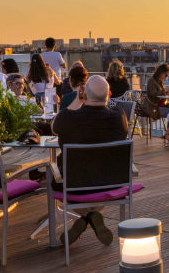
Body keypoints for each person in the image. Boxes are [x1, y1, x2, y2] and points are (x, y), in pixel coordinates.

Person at [52, 75, 128, 246]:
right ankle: (91, 216)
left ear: (84, 96)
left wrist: (78, 100)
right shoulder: (119, 116)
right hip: (112, 182)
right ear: (109, 95)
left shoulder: (68, 118)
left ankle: (88, 216)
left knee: (52, 178)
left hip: (75, 185)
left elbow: (54, 127)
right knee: (96, 179)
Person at [142, 64, 169, 144]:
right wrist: (165, 90)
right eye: (166, 74)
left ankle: (168, 133)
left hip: (160, 104)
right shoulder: (152, 81)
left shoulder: (161, 82)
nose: (166, 77)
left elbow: (162, 95)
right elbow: (154, 95)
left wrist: (168, 91)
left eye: (167, 75)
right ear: (161, 72)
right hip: (152, 106)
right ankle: (168, 134)